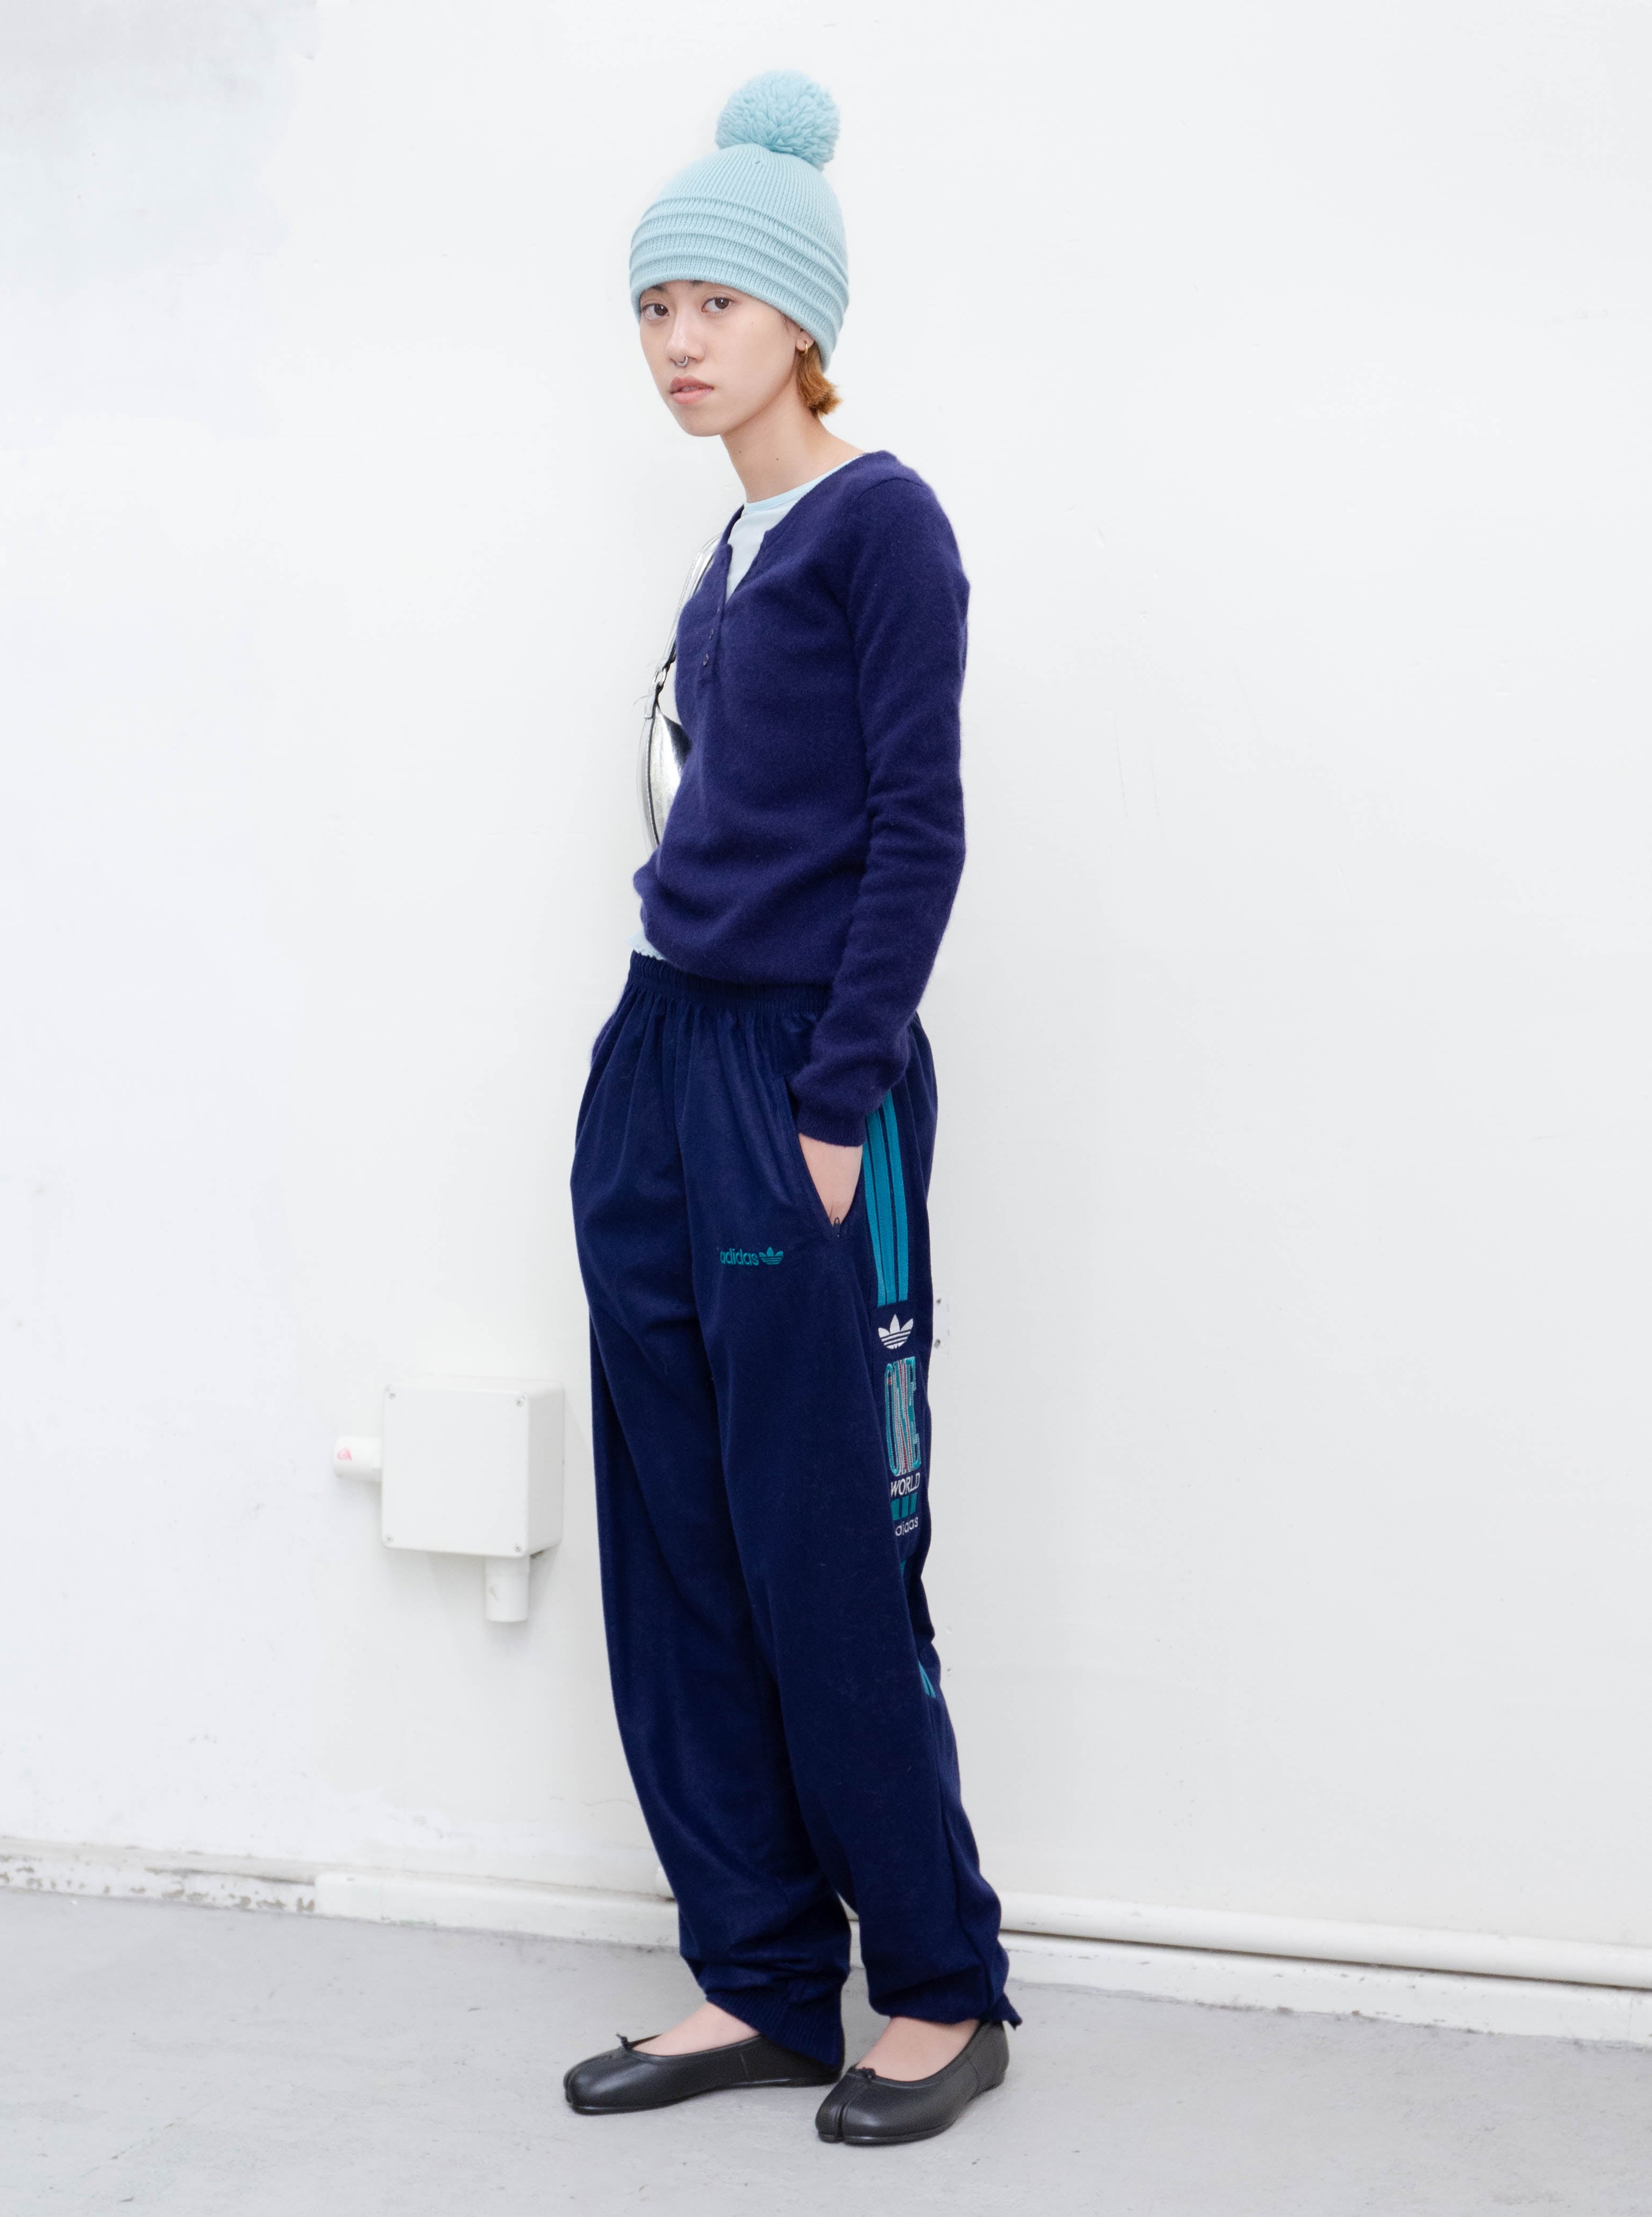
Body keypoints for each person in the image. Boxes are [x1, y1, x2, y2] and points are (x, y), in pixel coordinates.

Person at [566, 71, 1016, 2149]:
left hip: (793, 1083)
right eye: (654, 306)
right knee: (675, 1529)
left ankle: (936, 1982)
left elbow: (920, 830)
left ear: (800, 320)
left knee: (828, 1538)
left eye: (714, 305)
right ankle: (754, 1967)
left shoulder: (881, 522)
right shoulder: (731, 544)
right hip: (660, 1058)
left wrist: (834, 1106)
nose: (678, 341)